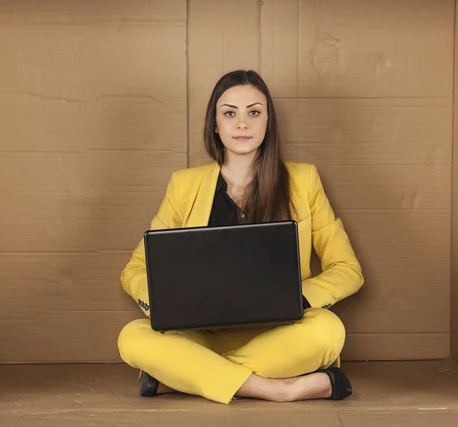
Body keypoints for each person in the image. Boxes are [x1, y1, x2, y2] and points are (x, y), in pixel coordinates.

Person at [117, 69, 364, 405]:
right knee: (132, 338)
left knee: (328, 330)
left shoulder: (304, 180)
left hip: (281, 334)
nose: (242, 124)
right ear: (215, 125)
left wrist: (296, 298)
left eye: (254, 112)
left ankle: (184, 379)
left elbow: (347, 268)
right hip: (200, 334)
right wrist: (169, 306)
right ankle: (280, 389)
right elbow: (134, 269)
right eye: (229, 113)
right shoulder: (184, 184)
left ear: (268, 122)